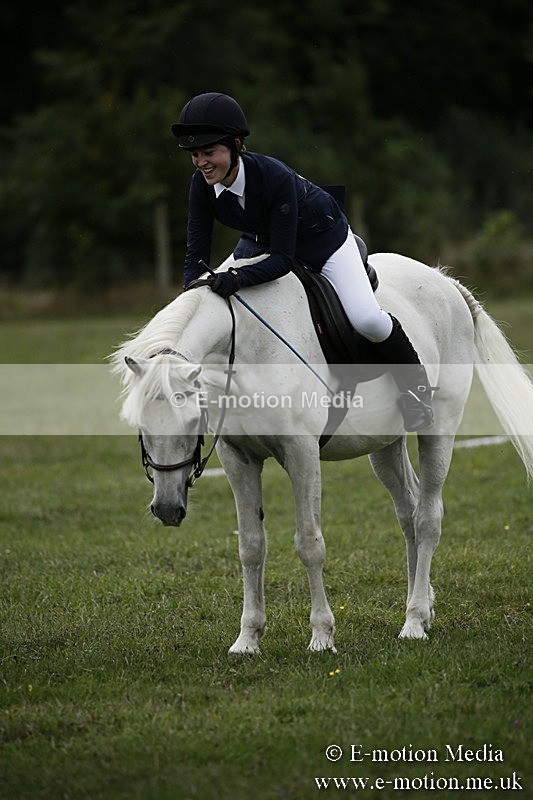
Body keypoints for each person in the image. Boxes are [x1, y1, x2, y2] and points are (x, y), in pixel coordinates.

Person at [171, 92, 433, 431]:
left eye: (209, 152)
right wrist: (188, 299)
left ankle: (417, 391)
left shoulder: (274, 177)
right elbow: (196, 256)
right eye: (195, 154)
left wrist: (235, 279)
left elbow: (282, 261)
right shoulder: (201, 185)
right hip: (260, 241)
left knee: (367, 318)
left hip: (323, 241)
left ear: (236, 145)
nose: (201, 162)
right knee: (210, 291)